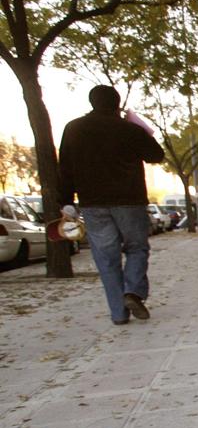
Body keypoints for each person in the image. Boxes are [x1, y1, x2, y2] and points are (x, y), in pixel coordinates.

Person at [58, 85, 165, 325]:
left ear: (92, 102)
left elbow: (64, 168)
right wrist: (141, 129)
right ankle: (133, 292)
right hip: (129, 200)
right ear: (117, 104)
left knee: (106, 258)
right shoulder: (129, 129)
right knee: (137, 248)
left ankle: (118, 313)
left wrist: (65, 201)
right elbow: (156, 155)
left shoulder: (74, 129)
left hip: (92, 203)